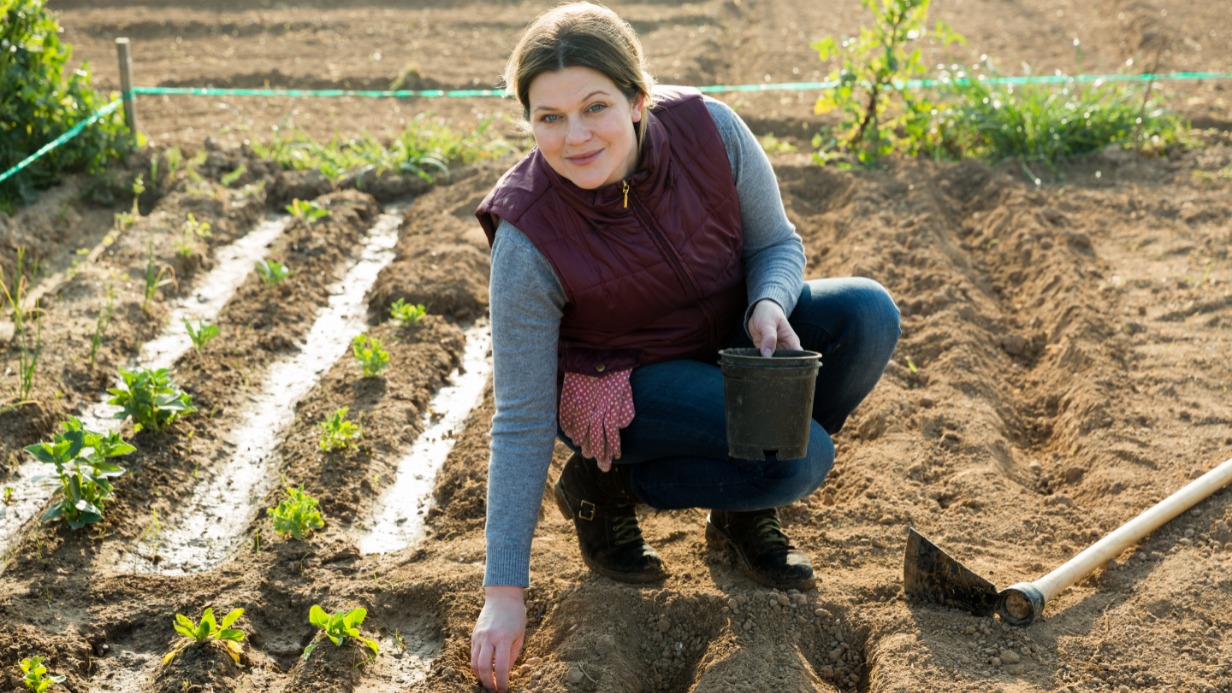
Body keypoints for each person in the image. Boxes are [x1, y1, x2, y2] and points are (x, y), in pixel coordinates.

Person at [469, 3, 900, 691]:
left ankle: (740, 510)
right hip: (621, 389)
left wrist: (767, 303)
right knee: (801, 458)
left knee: (867, 315)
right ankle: (606, 486)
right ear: (528, 121)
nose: (574, 136)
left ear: (639, 99)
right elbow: (519, 418)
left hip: (727, 340)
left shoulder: (710, 129)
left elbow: (776, 243)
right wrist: (503, 593)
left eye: (595, 107)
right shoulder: (529, 232)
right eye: (548, 117)